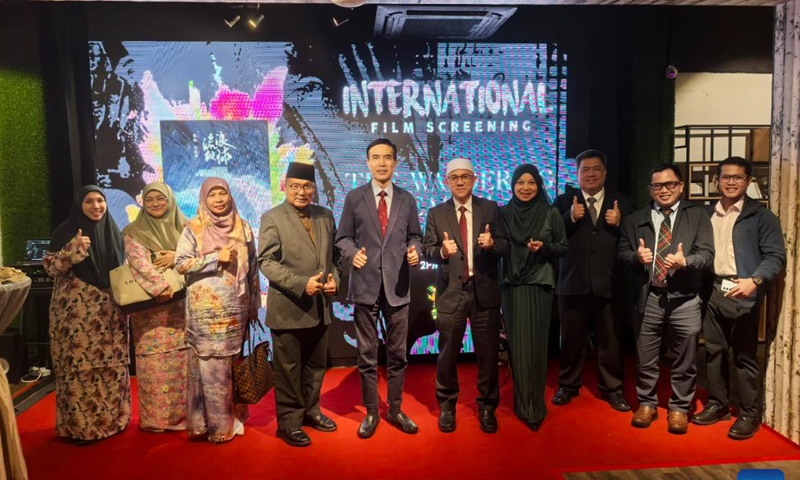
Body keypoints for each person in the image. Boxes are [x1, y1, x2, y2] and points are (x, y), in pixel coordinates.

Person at [335, 138, 424, 439]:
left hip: (398, 288)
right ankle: (372, 412)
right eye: (376, 157)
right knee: (367, 355)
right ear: (368, 162)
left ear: (396, 163)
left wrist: (415, 250)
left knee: (398, 355)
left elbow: (416, 237)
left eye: (387, 157)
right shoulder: (354, 198)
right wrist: (352, 254)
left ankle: (396, 409)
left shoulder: (407, 199)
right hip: (365, 286)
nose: (382, 162)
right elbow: (342, 238)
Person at [692, 156, 785, 440]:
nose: (731, 182)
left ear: (748, 181)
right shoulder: (705, 214)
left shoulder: (761, 216)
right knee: (713, 352)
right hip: (712, 291)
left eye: (738, 177)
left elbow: (775, 256)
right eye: (725, 177)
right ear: (716, 181)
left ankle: (749, 413)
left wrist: (755, 281)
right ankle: (718, 404)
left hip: (743, 291)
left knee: (744, 356)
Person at [618, 164, 714, 434]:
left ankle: (680, 407)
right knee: (646, 357)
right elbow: (622, 253)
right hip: (648, 297)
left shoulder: (697, 216)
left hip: (685, 299)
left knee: (685, 357)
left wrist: (687, 262)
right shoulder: (634, 219)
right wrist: (636, 258)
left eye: (670, 184)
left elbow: (707, 254)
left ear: (681, 186)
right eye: (657, 186)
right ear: (650, 189)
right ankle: (646, 403)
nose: (664, 190)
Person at [423, 158, 509, 434]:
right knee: (447, 354)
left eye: (465, 176)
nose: (460, 181)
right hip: (451, 294)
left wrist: (493, 244)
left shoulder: (490, 209)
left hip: (484, 291)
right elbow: (427, 250)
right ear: (446, 182)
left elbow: (507, 245)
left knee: (488, 353)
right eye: (454, 177)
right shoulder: (436, 213)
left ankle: (486, 405)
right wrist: (442, 253)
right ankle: (447, 404)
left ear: (474, 179)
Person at [258, 162, 341, 447]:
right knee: (289, 369)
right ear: (284, 186)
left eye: (306, 186)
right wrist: (299, 283)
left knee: (316, 366)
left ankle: (311, 411)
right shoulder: (272, 217)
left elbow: (336, 258)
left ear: (314, 188)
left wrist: (335, 281)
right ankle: (289, 423)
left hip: (320, 308)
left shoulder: (326, 216)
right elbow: (266, 262)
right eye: (295, 186)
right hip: (288, 307)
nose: (301, 192)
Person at [175, 177, 259, 443]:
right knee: (208, 366)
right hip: (204, 312)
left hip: (235, 310)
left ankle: (226, 420)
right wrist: (215, 258)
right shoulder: (193, 228)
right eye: (213, 195)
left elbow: (253, 268)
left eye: (223, 193)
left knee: (230, 365)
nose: (219, 199)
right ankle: (211, 427)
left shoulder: (243, 228)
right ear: (204, 199)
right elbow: (180, 264)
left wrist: (255, 303)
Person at [44, 185, 130, 445]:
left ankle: (114, 422)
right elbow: (50, 267)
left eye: (100, 200)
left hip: (110, 315)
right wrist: (72, 250)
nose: (96, 206)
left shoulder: (114, 233)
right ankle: (81, 428)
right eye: (89, 201)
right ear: (79, 205)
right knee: (79, 370)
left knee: (112, 368)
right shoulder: (66, 232)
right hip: (75, 320)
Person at [552, 149, 634, 411]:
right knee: (572, 339)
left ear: (605, 172)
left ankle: (613, 389)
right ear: (576, 174)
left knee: (610, 340)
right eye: (584, 169)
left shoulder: (623, 202)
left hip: (609, 284)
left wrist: (621, 223)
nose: (590, 174)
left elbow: (636, 238)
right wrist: (569, 219)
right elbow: (551, 236)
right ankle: (568, 385)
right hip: (572, 283)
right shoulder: (563, 202)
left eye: (596, 168)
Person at [498, 164, 568, 431]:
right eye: (520, 183)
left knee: (537, 347)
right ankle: (522, 402)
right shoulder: (503, 213)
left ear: (539, 185)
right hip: (511, 288)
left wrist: (544, 247)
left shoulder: (551, 214)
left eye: (531, 182)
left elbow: (562, 246)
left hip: (539, 286)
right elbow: (498, 246)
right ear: (512, 185)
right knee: (517, 347)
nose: (525, 187)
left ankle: (535, 406)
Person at [122, 182, 189, 432]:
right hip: (151, 308)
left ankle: (183, 415)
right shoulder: (133, 231)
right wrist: (160, 286)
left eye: (160, 199)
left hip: (181, 308)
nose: (155, 204)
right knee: (153, 363)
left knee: (182, 361)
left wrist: (175, 255)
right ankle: (156, 420)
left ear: (170, 199)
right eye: (149, 200)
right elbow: (139, 263)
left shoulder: (186, 226)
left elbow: (197, 255)